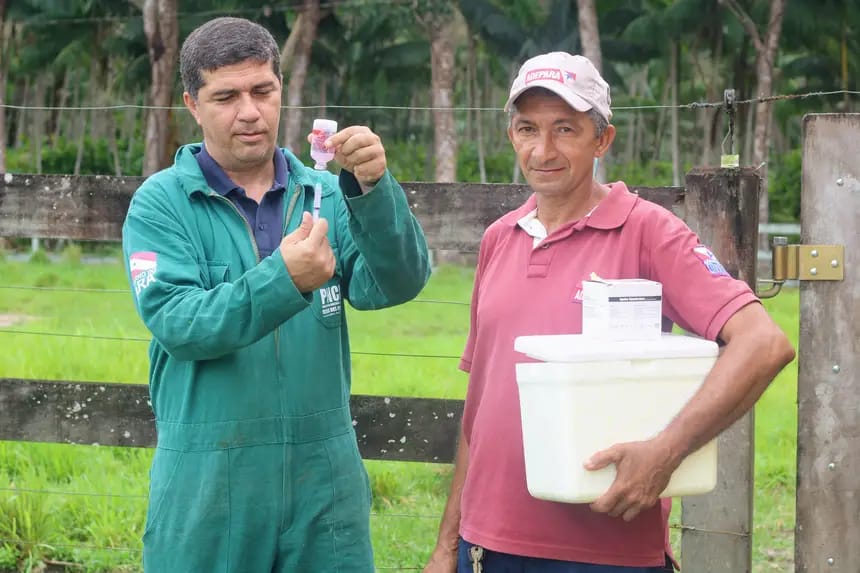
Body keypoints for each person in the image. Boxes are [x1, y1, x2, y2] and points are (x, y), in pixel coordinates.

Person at [423, 51, 795, 573]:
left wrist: (666, 452)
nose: (543, 149)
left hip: (605, 554)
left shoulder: (649, 232)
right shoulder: (498, 239)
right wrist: (447, 546)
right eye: (528, 129)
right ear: (512, 136)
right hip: (486, 547)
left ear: (603, 139)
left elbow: (763, 343)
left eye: (566, 130)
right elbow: (480, 407)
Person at [122, 17, 431, 572]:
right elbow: (180, 323)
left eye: (263, 90)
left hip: (325, 484)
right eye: (226, 96)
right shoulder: (161, 204)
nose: (249, 111)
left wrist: (375, 192)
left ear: (281, 90)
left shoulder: (326, 194)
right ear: (192, 103)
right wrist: (284, 279)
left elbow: (398, 281)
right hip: (208, 485)